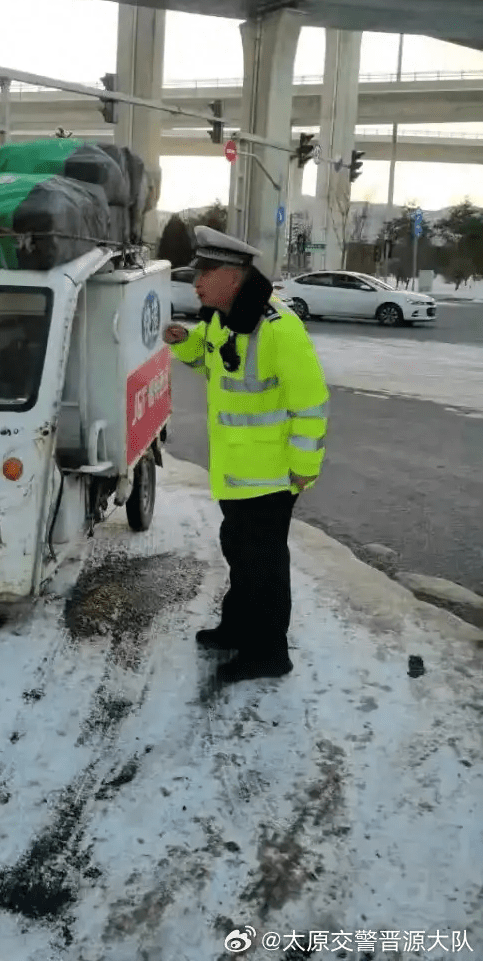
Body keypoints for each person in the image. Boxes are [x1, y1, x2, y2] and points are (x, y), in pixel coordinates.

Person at [163, 226, 329, 682]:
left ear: (233, 277)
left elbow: (310, 406)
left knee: (264, 567)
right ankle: (237, 629)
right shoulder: (223, 318)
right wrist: (184, 341)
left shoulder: (280, 329)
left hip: (272, 477)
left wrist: (303, 471)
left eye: (206, 272)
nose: (196, 281)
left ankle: (269, 652)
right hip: (237, 473)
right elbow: (210, 361)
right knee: (239, 552)